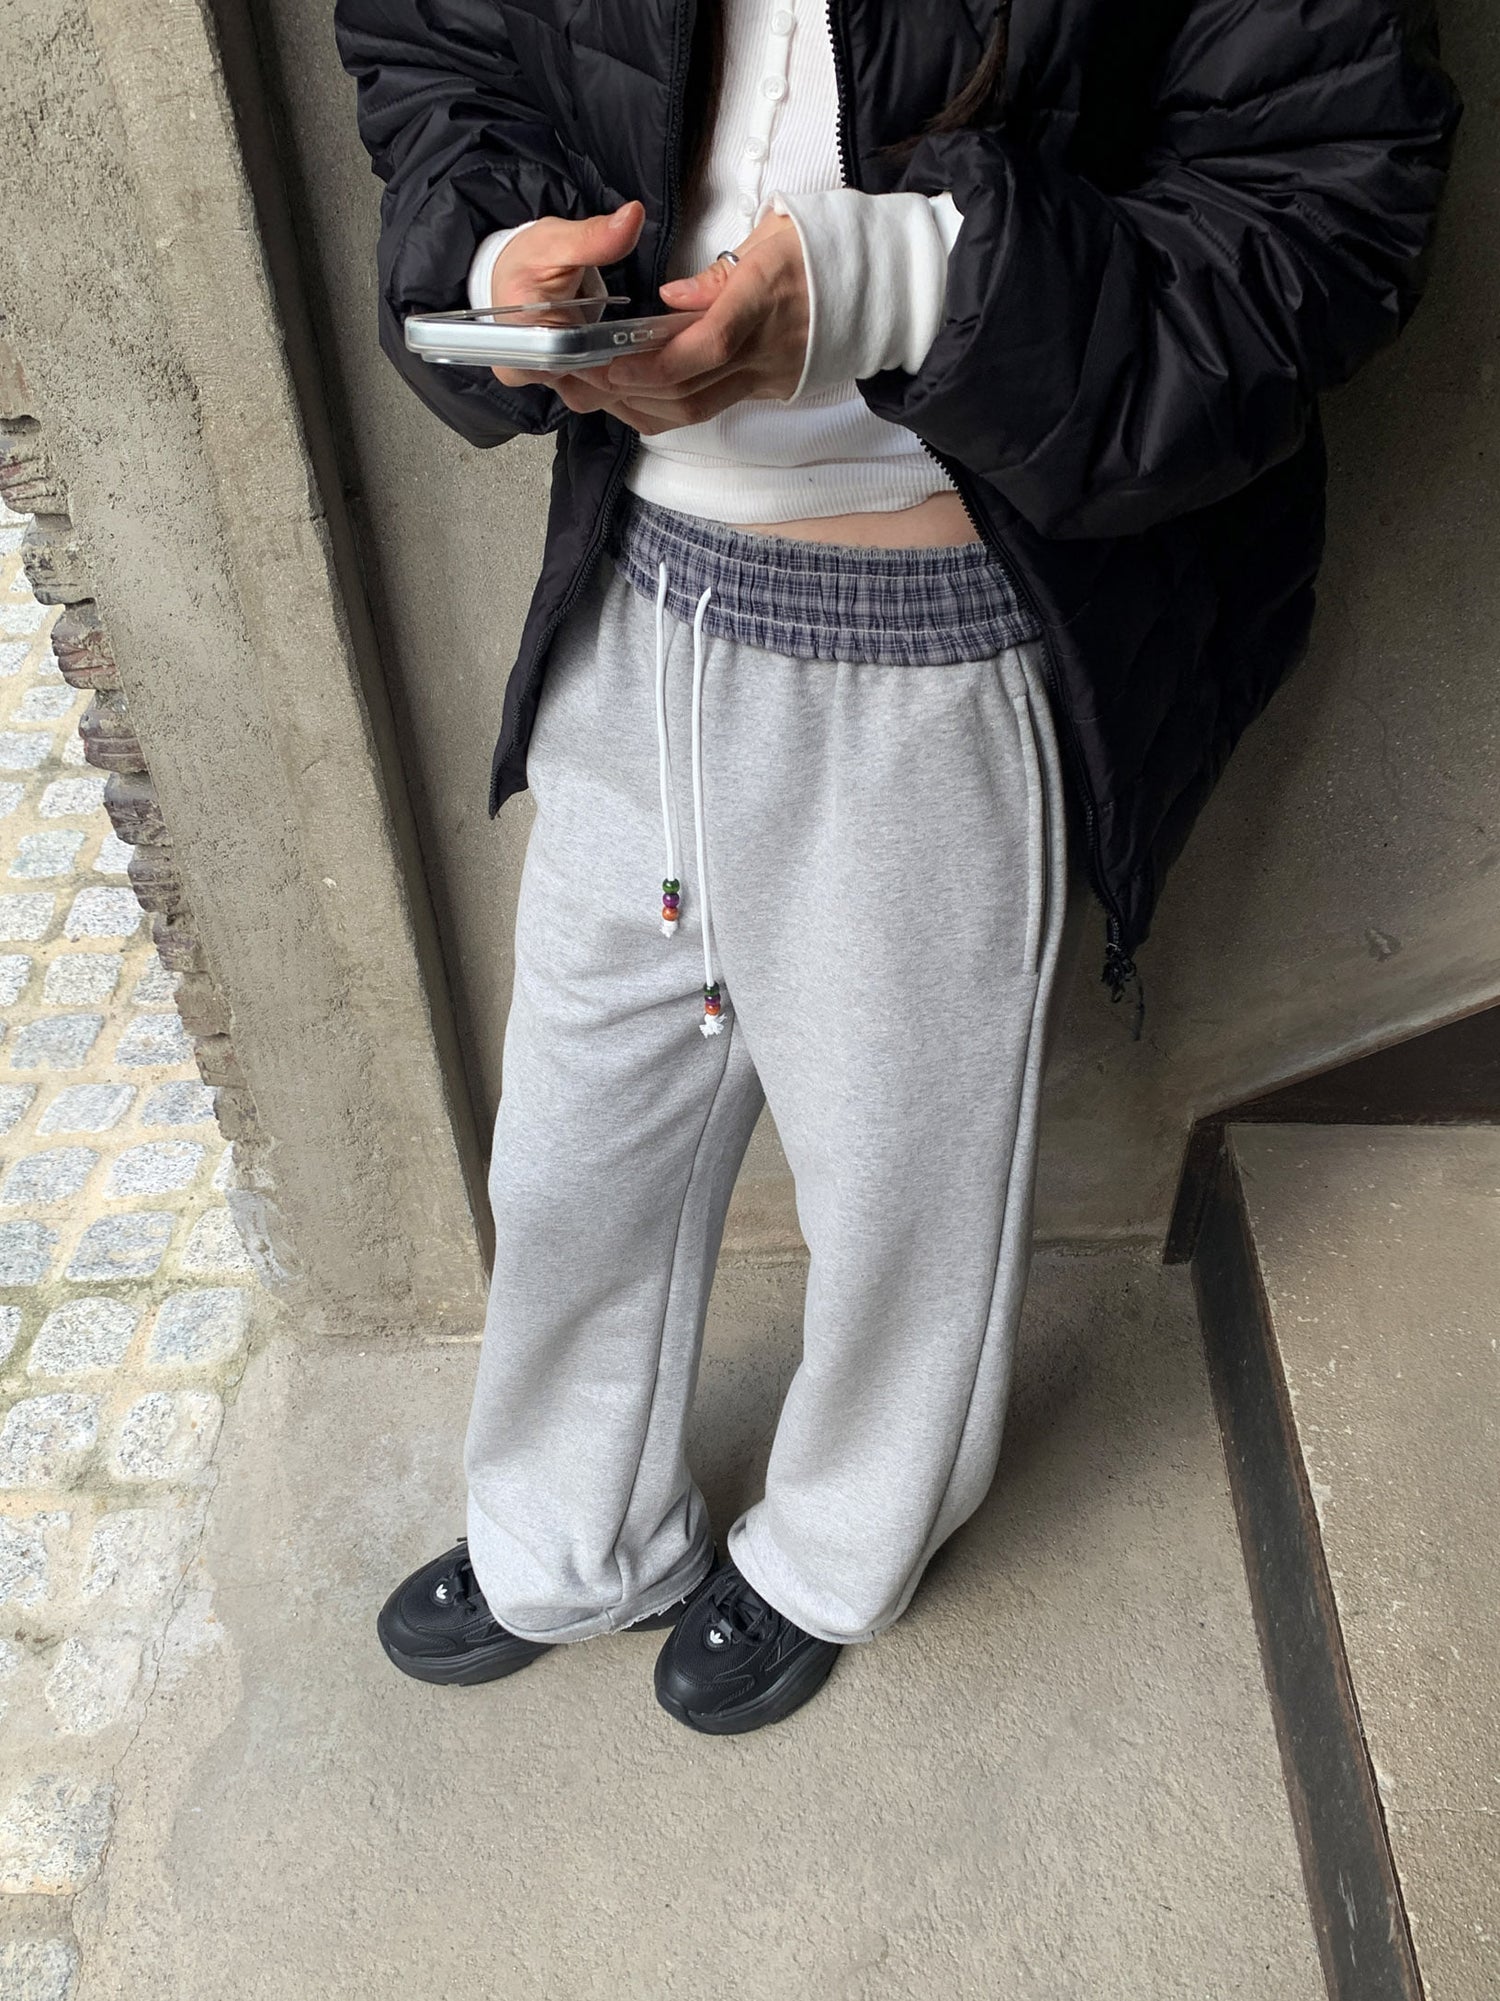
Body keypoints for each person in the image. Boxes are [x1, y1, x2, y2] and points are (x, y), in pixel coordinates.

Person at [334, 0, 1459, 1734]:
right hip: (636, 602)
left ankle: (836, 1550)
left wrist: (899, 286)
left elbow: (1320, 205)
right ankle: (569, 1531)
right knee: (573, 1146)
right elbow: (435, 51)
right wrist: (493, 262)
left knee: (903, 1191)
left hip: (931, 643)